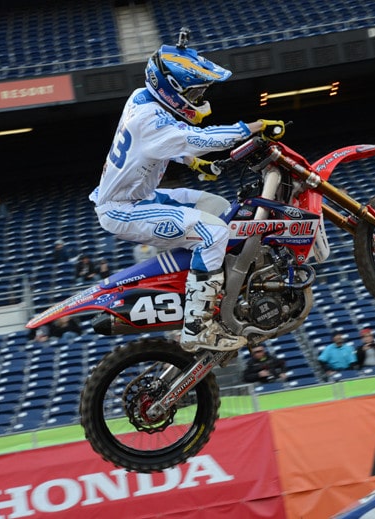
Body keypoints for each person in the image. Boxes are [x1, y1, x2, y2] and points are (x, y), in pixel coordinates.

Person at [87, 29, 284, 353]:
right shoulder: (150, 119)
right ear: (172, 89)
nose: (199, 98)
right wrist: (256, 126)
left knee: (217, 206)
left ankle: (219, 286)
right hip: (123, 209)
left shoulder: (141, 97)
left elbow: (161, 145)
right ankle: (198, 326)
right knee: (213, 232)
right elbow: (200, 139)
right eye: (195, 92)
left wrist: (195, 165)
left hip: (141, 197)